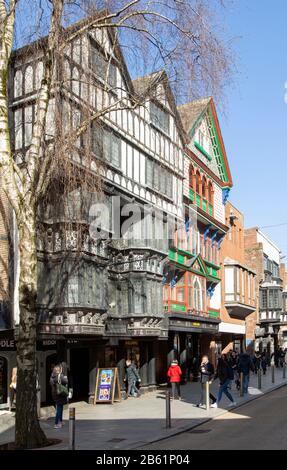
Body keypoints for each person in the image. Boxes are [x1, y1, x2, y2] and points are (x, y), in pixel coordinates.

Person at [50, 364, 68, 429]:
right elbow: (66, 381)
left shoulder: (52, 376)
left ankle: (60, 421)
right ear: (59, 370)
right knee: (59, 409)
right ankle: (57, 423)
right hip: (60, 393)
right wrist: (64, 377)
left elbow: (51, 384)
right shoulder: (60, 376)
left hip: (55, 393)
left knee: (60, 407)